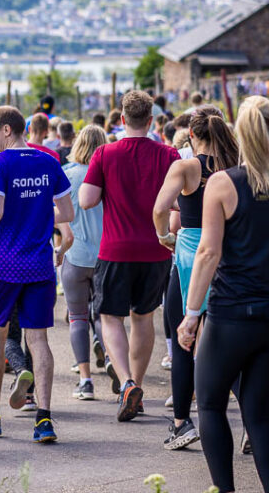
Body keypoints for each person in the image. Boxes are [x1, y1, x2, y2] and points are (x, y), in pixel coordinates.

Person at [178, 96, 269, 493]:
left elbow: (209, 252)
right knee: (259, 411)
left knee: (212, 404)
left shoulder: (222, 183)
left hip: (232, 312)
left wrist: (190, 313)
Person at [0, 106, 74, 442]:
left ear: (5, 129)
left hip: (5, 265)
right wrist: (39, 210)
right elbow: (67, 211)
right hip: (41, 263)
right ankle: (43, 419)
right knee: (39, 340)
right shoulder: (48, 160)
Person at [80, 90, 180, 422]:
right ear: (151, 121)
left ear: (122, 119)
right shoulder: (169, 155)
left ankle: (125, 382)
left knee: (109, 317)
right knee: (143, 317)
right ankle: (136, 385)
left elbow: (86, 200)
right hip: (155, 250)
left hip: (116, 250)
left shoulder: (105, 154)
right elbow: (182, 201)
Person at [152, 106, 239, 450]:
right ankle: (250, 419)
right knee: (232, 341)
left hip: (189, 253)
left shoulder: (185, 167)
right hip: (229, 253)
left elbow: (160, 208)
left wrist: (163, 235)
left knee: (182, 342)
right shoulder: (236, 168)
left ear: (192, 135)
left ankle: (181, 422)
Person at [56, 125, 108, 402]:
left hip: (74, 255)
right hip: (106, 255)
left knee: (77, 317)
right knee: (104, 316)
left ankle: (85, 380)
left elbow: (57, 214)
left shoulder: (66, 175)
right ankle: (110, 357)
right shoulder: (108, 173)